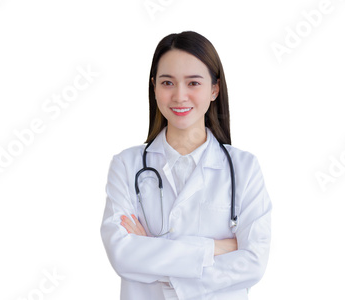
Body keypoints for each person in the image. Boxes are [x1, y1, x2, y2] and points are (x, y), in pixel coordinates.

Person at [100, 31, 272, 300]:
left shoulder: (244, 168)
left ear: (214, 89)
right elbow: (122, 255)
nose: (180, 96)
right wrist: (215, 248)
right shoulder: (126, 165)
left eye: (193, 83)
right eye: (168, 83)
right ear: (154, 87)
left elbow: (253, 263)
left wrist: (150, 249)